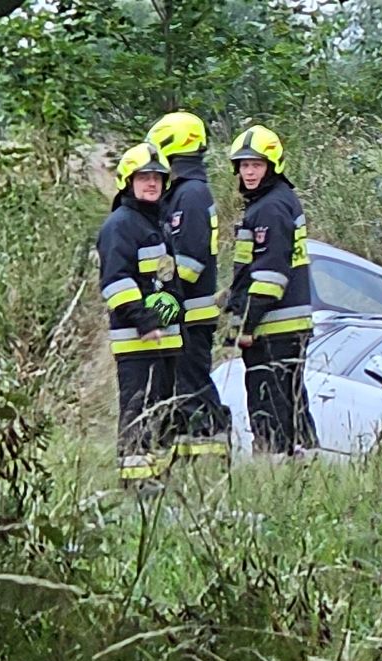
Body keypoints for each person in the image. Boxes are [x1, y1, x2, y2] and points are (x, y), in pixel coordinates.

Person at [224, 124, 318, 456]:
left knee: (271, 402)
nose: (249, 172)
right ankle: (305, 460)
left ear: (272, 166)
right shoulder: (274, 202)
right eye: (244, 165)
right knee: (291, 401)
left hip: (275, 328)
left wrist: (246, 326)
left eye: (256, 165)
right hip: (285, 325)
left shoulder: (270, 208)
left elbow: (268, 277)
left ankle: (278, 464)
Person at [146, 111, 231, 464]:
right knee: (181, 388)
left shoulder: (192, 195)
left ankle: (212, 452)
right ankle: (186, 456)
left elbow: (191, 263)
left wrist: (157, 293)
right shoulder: (182, 192)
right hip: (181, 312)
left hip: (190, 312)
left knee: (194, 384)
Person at [96, 142, 183, 487]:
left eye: (157, 178)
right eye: (144, 177)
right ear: (127, 182)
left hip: (165, 342)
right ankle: (135, 485)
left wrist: (170, 319)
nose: (152, 183)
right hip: (137, 343)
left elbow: (165, 283)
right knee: (139, 412)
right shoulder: (120, 225)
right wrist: (146, 322)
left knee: (161, 416)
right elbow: (116, 283)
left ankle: (156, 481)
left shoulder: (155, 223)